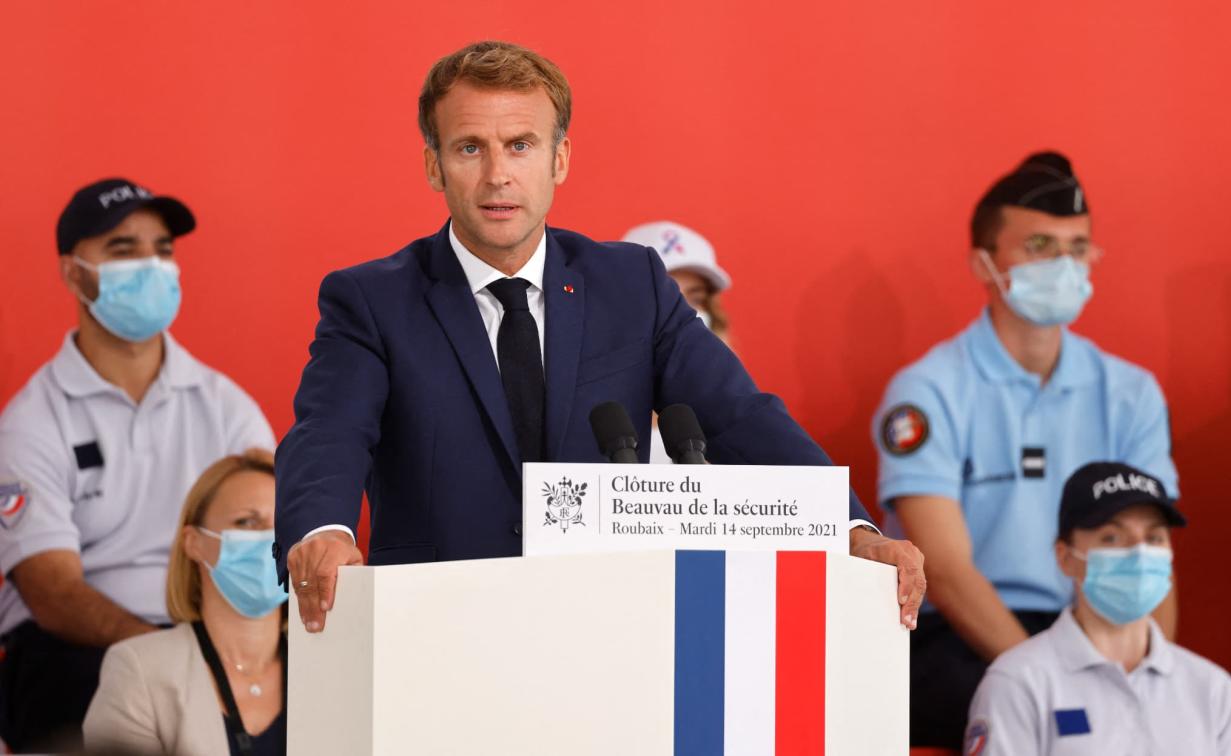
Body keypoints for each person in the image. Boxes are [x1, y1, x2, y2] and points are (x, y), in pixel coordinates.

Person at [276, 40, 926, 637]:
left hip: (610, 624)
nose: (498, 174)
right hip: (436, 625)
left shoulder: (630, 283)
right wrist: (322, 530)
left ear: (559, 159)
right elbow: (329, 433)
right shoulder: (371, 298)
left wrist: (849, 527)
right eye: (470, 147)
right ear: (433, 164)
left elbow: (738, 417)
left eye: (521, 145)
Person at [871, 151, 1179, 747]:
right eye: (1038, 245)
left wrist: (1154, 673)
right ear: (983, 264)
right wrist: (1049, 678)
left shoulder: (1131, 393)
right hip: (955, 637)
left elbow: (1153, 560)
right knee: (1052, 723)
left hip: (1094, 630)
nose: (1063, 264)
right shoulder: (928, 390)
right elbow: (947, 571)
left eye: (1077, 245)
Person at [0, 178, 275, 751]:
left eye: (163, 249)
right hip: (76, 650)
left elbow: (274, 536)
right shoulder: (33, 421)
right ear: (74, 273)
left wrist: (212, 648)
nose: (151, 265)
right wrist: (166, 654)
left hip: (214, 630)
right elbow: (52, 593)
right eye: (123, 250)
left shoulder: (224, 405)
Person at [964, 462, 1231, 754]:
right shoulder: (1018, 682)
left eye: (1154, 538)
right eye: (1112, 537)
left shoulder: (1213, 689)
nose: (1138, 553)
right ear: (1065, 556)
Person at [84, 449, 288, 756]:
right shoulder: (139, 670)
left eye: (282, 524)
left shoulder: (335, 665)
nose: (269, 538)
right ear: (194, 542)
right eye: (246, 522)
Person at [622, 220, 732, 463]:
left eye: (696, 297)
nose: (683, 313)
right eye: (666, 297)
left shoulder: (735, 424)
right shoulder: (589, 419)